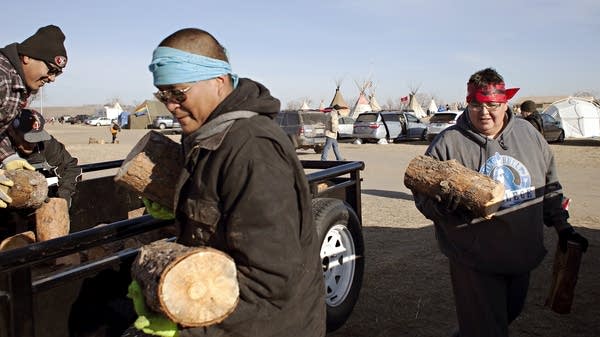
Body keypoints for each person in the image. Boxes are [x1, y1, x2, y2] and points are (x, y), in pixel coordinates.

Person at [124, 28, 326, 337]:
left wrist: (188, 330)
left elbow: (269, 282)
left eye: (178, 93)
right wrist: (179, 207)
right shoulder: (209, 135)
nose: (170, 105)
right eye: (162, 95)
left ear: (218, 81)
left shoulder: (251, 148)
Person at [411, 67, 588, 337]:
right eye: (476, 105)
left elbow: (549, 185)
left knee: (506, 314)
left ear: (505, 103)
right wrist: (444, 205)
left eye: (492, 105)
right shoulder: (449, 143)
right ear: (468, 103)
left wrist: (562, 226)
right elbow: (423, 195)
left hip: (520, 254)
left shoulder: (529, 136)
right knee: (487, 329)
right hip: (474, 258)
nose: (484, 113)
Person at [0, 24, 68, 209]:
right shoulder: (2, 77)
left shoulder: (17, 85)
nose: (52, 78)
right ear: (27, 57)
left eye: (57, 73)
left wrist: (8, 157)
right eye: (51, 70)